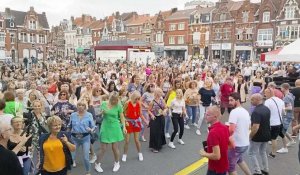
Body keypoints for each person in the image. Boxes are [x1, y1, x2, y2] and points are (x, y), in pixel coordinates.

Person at [94, 92, 127, 173]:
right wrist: (102, 113)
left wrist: (124, 127)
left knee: (115, 148)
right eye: (113, 100)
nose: (114, 102)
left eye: (116, 100)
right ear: (110, 98)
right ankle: (97, 163)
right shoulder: (104, 103)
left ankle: (117, 163)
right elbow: (98, 114)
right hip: (105, 126)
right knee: (103, 149)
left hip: (115, 127)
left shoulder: (119, 106)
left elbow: (122, 117)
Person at [199, 106, 230, 175]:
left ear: (215, 117)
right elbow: (229, 144)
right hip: (223, 165)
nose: (205, 116)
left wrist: (204, 154)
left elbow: (216, 156)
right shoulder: (224, 128)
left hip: (215, 169)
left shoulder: (213, 133)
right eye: (205, 114)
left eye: (208, 115)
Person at [228, 92, 251, 175]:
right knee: (240, 160)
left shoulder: (234, 112)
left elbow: (231, 130)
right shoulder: (245, 111)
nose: (229, 102)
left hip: (236, 145)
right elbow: (249, 127)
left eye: (231, 100)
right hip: (245, 143)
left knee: (231, 168)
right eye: (229, 100)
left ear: (237, 100)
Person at [69, 100, 95, 175]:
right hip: (74, 138)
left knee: (86, 157)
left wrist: (91, 130)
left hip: (85, 138)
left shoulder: (89, 115)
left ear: (85, 106)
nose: (80, 107)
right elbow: (69, 125)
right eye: (79, 105)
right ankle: (68, 172)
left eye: (82, 105)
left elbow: (93, 127)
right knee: (71, 157)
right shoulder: (73, 115)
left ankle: (88, 172)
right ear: (77, 106)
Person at [248, 93, 271, 175]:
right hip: (267, 134)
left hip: (258, 136)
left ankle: (257, 171)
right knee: (263, 152)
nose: (250, 101)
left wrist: (250, 136)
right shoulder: (266, 109)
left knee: (251, 153)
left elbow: (255, 127)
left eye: (252, 99)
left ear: (257, 100)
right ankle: (265, 169)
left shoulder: (256, 112)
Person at [122, 91, 147, 162]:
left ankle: (140, 153)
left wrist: (145, 121)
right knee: (127, 140)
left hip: (136, 122)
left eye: (138, 99)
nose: (137, 100)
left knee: (136, 140)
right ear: (133, 97)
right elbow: (122, 113)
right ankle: (125, 154)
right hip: (128, 122)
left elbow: (141, 114)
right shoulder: (127, 103)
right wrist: (125, 121)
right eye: (136, 99)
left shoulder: (139, 104)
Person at [264, 88, 286, 157]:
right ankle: (285, 147)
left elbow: (265, 113)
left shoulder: (268, 101)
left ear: (269, 93)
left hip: (272, 122)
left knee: (273, 138)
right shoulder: (280, 100)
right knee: (282, 135)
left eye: (266, 93)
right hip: (280, 121)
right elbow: (284, 112)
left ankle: (273, 153)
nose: (265, 95)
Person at [148, 88, 167, 153]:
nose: (159, 93)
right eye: (158, 92)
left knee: (161, 131)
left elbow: (165, 107)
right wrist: (152, 115)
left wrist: (164, 111)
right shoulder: (152, 102)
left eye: (160, 92)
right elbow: (149, 110)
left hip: (161, 117)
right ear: (155, 93)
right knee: (154, 132)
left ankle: (160, 144)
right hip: (155, 118)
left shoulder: (162, 100)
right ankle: (154, 147)